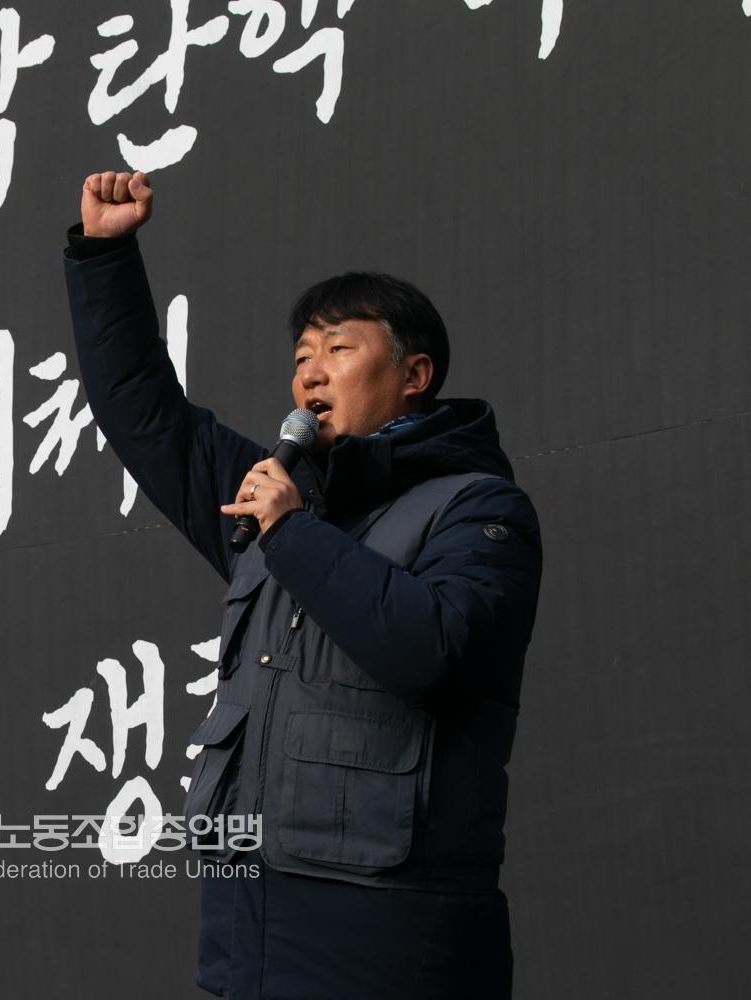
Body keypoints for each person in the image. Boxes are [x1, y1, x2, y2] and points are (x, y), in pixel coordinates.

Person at [62, 171, 543, 1000]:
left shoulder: (478, 507)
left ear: (415, 373)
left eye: (338, 350)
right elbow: (146, 414)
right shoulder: (279, 500)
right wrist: (105, 258)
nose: (310, 375)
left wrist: (291, 533)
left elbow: (431, 647)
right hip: (246, 920)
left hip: (388, 927)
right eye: (300, 359)